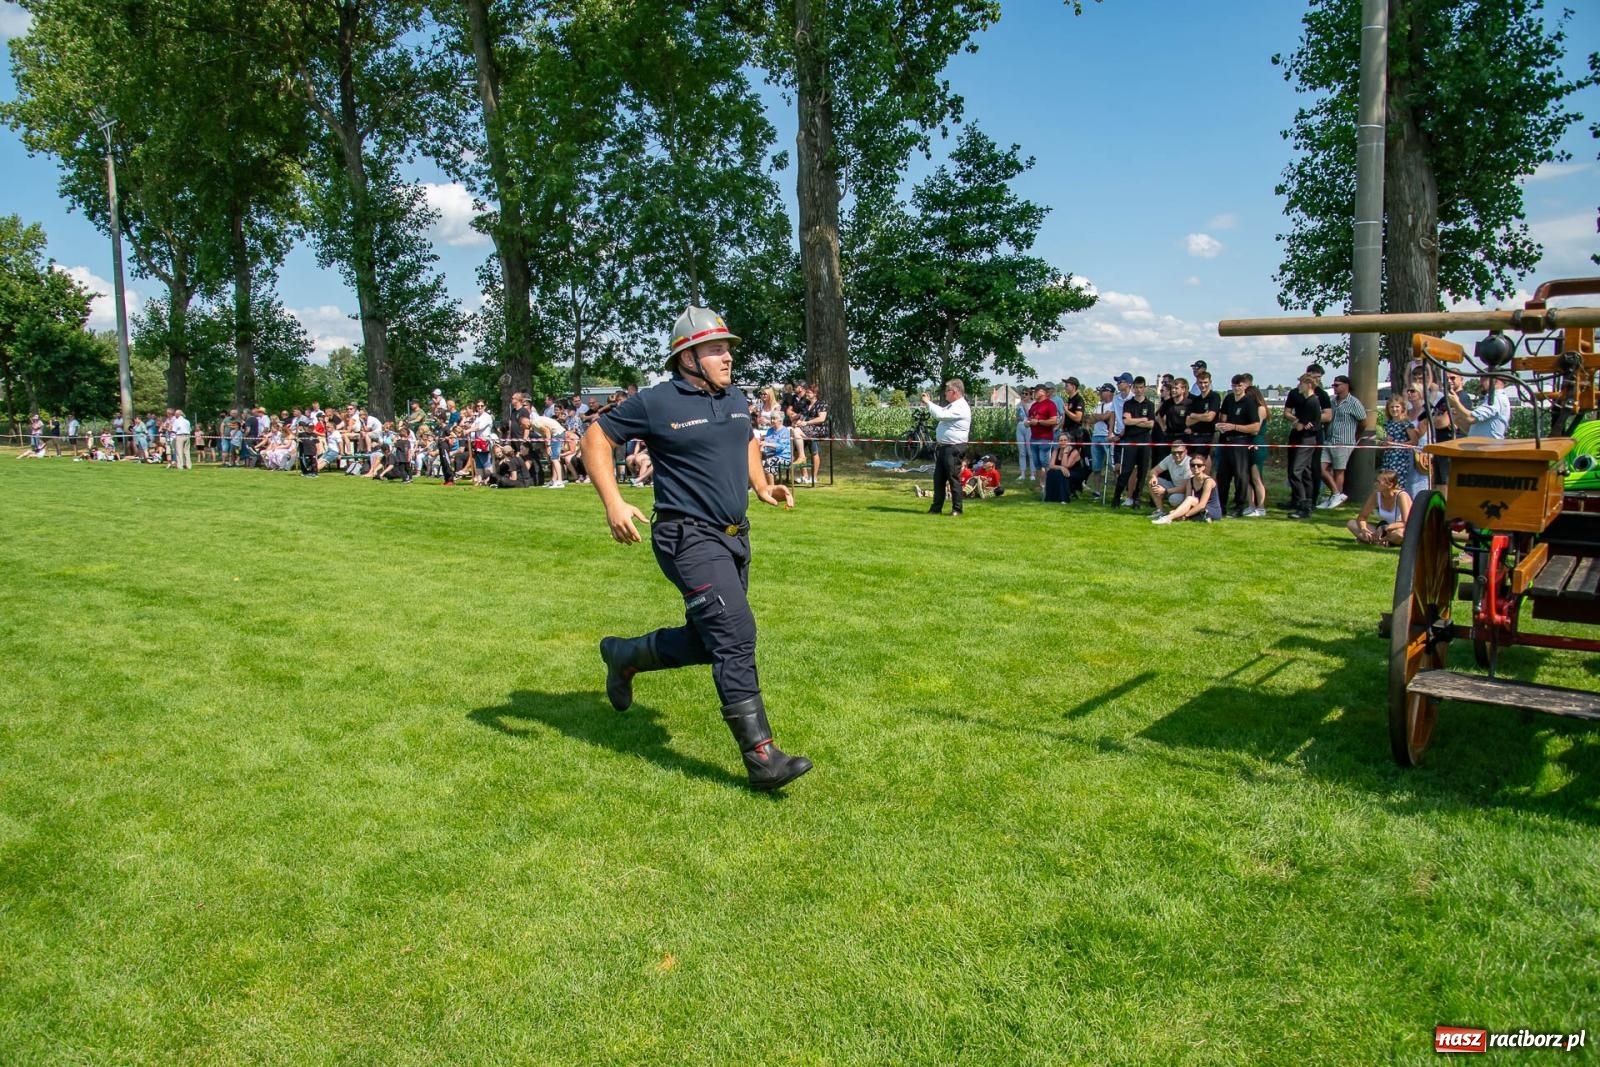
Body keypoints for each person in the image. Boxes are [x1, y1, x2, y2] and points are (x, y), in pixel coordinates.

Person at [583, 305, 810, 792]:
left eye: (727, 348)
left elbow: (745, 438)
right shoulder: (658, 402)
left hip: (734, 536)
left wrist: (763, 485)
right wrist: (614, 503)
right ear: (687, 357)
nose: (726, 357)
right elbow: (595, 436)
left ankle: (625, 655)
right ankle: (763, 758)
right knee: (735, 635)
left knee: (709, 641)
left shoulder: (733, 396)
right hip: (686, 536)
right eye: (715, 349)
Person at [921, 378, 973, 517]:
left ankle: (957, 509)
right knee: (938, 478)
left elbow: (940, 415)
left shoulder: (960, 407)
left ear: (955, 392)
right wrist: (929, 404)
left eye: (947, 391)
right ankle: (936, 508)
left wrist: (928, 403)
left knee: (953, 478)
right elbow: (941, 410)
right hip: (945, 448)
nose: (945, 394)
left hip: (954, 448)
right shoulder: (953, 405)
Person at [1215, 373, 1263, 517]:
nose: (1236, 388)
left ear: (1244, 386)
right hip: (1225, 441)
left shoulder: (1249, 402)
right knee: (1222, 476)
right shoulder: (1229, 399)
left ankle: (1239, 506)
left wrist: (1234, 427)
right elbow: (1223, 417)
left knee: (1240, 476)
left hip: (1241, 442)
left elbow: (1255, 427)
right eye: (1234, 385)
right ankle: (1220, 506)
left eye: (1239, 385)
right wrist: (1220, 425)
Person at [1317, 374, 1365, 508]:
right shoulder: (1332, 401)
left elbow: (1363, 421)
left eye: (1337, 385)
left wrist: (1356, 436)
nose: (1334, 388)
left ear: (1346, 386)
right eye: (1333, 385)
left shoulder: (1354, 403)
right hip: (1329, 440)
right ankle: (1336, 493)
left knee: (1339, 470)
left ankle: (1335, 498)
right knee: (1319, 468)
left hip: (1344, 441)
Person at [1285, 373, 1324, 519]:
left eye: (1301, 383)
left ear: (1308, 385)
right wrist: (1300, 423)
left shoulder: (1311, 402)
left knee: (1295, 472)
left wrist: (1297, 423)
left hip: (1306, 440)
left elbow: (1301, 426)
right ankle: (1308, 503)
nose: (1298, 386)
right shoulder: (1312, 401)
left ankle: (1303, 504)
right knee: (1306, 473)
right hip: (1308, 439)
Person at [1113, 376, 1155, 509]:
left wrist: (1135, 421)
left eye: (1141, 387)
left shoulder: (1150, 405)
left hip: (1144, 441)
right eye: (1136, 387)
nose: (1138, 390)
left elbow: (1151, 424)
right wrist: (1142, 419)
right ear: (1133, 388)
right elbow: (1126, 422)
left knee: (1142, 472)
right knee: (1126, 471)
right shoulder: (1128, 403)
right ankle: (1116, 497)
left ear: (1145, 388)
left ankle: (1136, 499)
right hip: (1130, 440)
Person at [1152, 452, 1221, 523]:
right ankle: (1202, 517)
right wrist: (1178, 511)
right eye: (1192, 465)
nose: (1195, 467)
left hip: (1211, 509)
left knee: (1188, 503)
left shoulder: (1208, 481)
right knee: (1186, 502)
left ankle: (1167, 518)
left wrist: (1185, 515)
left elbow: (1202, 504)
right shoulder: (1190, 480)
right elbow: (1187, 500)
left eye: (1199, 465)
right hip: (1200, 507)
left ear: (1203, 467)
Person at [1347, 468, 1411, 546]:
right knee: (1351, 523)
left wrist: (1386, 528)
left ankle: (1374, 540)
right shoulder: (1376, 495)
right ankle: (1381, 541)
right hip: (1382, 530)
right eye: (1376, 481)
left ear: (1390, 485)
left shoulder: (1401, 496)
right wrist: (1364, 529)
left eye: (1378, 482)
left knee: (1399, 534)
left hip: (1400, 529)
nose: (1375, 484)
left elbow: (1407, 522)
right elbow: (1362, 517)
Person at [1448, 372, 1511, 440]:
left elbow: (1471, 418)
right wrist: (1458, 420)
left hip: (1488, 448)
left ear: (1495, 381)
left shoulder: (1496, 399)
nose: (1480, 382)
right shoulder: (1491, 399)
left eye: (1483, 378)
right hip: (1482, 447)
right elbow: (1471, 431)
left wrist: (1456, 403)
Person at [1147, 440, 1193, 516]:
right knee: (1151, 481)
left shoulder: (1188, 463)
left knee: (1174, 499)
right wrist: (1154, 477)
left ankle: (1180, 512)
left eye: (1180, 452)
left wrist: (1165, 491)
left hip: (1186, 492)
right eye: (1174, 453)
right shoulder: (1170, 458)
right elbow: (1153, 471)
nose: (1177, 455)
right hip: (1174, 486)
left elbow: (1185, 487)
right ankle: (1160, 511)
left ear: (1186, 451)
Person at [1042, 432, 1084, 503]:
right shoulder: (1056, 451)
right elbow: (1051, 465)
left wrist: (1065, 452)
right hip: (1062, 471)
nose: (1063, 442)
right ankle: (1050, 498)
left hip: (1075, 473)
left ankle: (1064, 499)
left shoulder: (1075, 452)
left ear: (1069, 441)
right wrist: (1061, 468)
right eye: (1061, 440)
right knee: (1050, 472)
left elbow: (1066, 465)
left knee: (1061, 474)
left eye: (1065, 440)